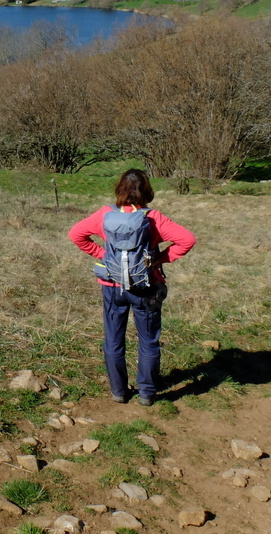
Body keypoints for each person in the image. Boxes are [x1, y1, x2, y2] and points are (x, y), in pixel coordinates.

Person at [68, 168, 195, 406]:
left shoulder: (105, 215)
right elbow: (188, 240)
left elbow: (76, 234)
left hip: (112, 286)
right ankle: (147, 394)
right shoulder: (153, 217)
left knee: (113, 340)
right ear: (147, 191)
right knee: (148, 341)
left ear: (119, 189)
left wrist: (103, 254)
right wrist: (159, 260)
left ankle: (118, 391)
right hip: (146, 286)